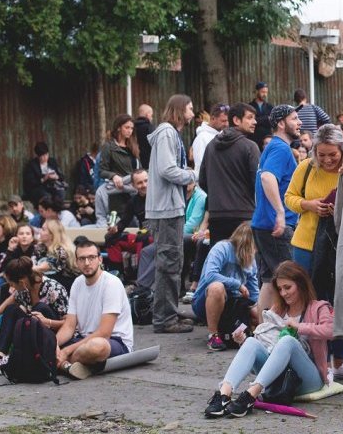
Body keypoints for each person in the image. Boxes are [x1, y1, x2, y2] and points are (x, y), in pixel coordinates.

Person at [284, 123, 343, 381]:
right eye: (322, 155)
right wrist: (309, 205)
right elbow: (290, 197)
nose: (328, 159)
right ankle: (316, 364)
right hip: (306, 245)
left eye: (334, 154)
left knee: (342, 303)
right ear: (314, 152)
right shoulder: (305, 168)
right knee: (312, 305)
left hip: (340, 246)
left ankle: (340, 361)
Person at [203, 261, 334, 418]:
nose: (284, 293)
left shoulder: (318, 307)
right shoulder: (277, 310)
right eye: (280, 289)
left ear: (300, 284)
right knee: (251, 342)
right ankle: (223, 395)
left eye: (288, 287)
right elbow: (257, 362)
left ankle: (251, 395)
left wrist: (299, 326)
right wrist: (242, 341)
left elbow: (331, 331)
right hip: (277, 379)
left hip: (309, 379)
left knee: (287, 341)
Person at [147, 95, 199, 334]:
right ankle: (164, 319)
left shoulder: (168, 133)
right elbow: (167, 169)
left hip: (169, 207)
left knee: (172, 262)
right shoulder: (167, 132)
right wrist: (192, 175)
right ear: (180, 109)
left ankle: (169, 312)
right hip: (166, 208)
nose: (193, 111)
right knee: (169, 263)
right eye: (189, 108)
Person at [0, 255, 71, 375]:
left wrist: (47, 322)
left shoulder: (53, 289)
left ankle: (14, 357)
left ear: (21, 282)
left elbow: (69, 324)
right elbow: (12, 299)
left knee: (40, 307)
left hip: (52, 333)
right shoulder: (24, 290)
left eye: (12, 284)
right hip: (32, 329)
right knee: (11, 309)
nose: (12, 288)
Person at [55, 238, 134, 380]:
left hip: (114, 341)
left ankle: (60, 363)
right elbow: (69, 326)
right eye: (82, 259)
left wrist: (66, 350)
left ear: (100, 260)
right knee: (44, 340)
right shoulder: (77, 283)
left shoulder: (111, 283)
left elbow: (104, 333)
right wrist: (53, 344)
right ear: (77, 262)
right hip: (82, 340)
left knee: (97, 346)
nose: (87, 263)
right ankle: (68, 365)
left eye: (91, 258)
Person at [251, 105, 302, 308]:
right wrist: (280, 213)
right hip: (276, 227)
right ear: (281, 124)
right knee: (292, 281)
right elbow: (267, 177)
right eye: (294, 118)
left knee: (269, 282)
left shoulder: (272, 147)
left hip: (263, 224)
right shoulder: (281, 148)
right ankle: (289, 333)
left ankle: (261, 331)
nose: (300, 123)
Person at [192, 222, 260, 351]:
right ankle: (213, 335)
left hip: (233, 305)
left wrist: (260, 313)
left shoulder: (251, 260)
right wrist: (237, 285)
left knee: (260, 311)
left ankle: (255, 335)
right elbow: (210, 275)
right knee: (217, 287)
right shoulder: (222, 248)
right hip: (206, 300)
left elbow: (254, 293)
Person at [199, 102, 261, 245]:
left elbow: (202, 180)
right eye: (250, 118)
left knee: (221, 261)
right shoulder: (250, 147)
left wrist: (219, 196)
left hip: (216, 216)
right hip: (244, 215)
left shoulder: (211, 146)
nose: (255, 122)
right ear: (236, 120)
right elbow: (257, 183)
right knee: (244, 263)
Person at [103, 169, 151, 277]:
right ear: (133, 186)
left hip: (158, 237)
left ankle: (142, 280)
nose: (144, 185)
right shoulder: (133, 201)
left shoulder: (159, 197)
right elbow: (124, 222)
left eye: (146, 181)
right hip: (142, 236)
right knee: (111, 238)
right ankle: (117, 277)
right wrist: (115, 229)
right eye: (139, 183)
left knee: (143, 237)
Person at [35, 218, 79, 289]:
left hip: (64, 288)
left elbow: (42, 268)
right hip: (48, 287)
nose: (40, 232)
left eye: (43, 229)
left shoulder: (61, 252)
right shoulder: (41, 248)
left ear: (52, 234)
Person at [23, 142, 66, 207]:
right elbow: (30, 182)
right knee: (47, 196)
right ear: (38, 156)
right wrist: (43, 179)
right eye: (42, 156)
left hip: (52, 185)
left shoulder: (52, 161)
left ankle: (57, 210)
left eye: (46, 154)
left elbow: (61, 176)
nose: (45, 157)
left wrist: (56, 177)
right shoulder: (32, 165)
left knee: (60, 192)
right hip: (38, 188)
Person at [192, 103, 229, 176]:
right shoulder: (201, 138)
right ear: (212, 118)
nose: (227, 124)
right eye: (223, 121)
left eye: (228, 121)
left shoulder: (225, 135)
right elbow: (200, 165)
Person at [250, 81, 274, 149]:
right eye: (262, 92)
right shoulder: (250, 106)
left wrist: (258, 120)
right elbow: (251, 121)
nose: (265, 94)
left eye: (266, 92)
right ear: (257, 92)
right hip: (254, 139)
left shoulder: (270, 106)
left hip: (267, 140)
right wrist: (266, 118)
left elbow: (271, 121)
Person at [134, 104, 155, 169]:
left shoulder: (133, 127)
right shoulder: (149, 127)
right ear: (147, 114)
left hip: (136, 160)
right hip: (149, 161)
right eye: (152, 115)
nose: (152, 118)